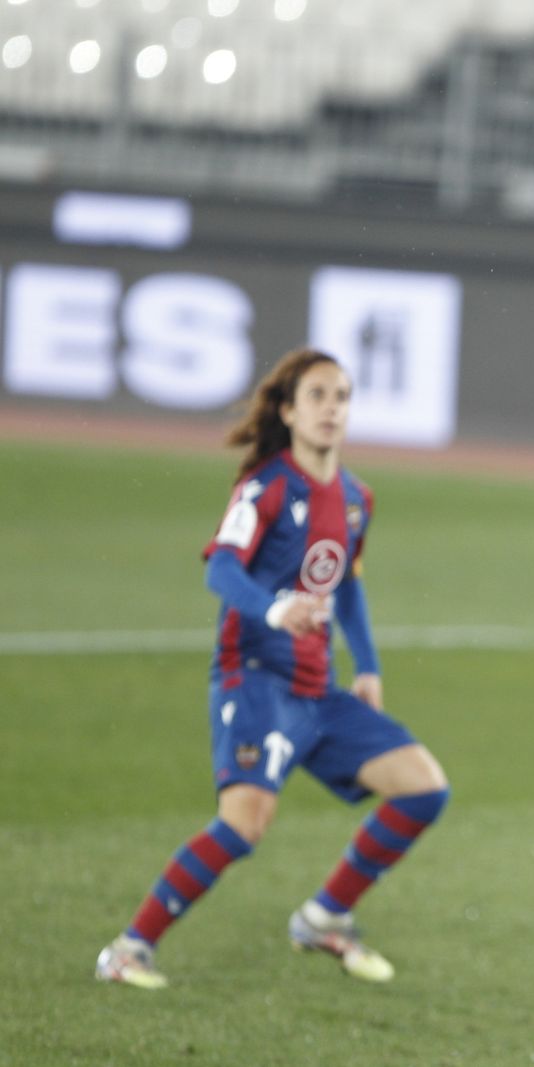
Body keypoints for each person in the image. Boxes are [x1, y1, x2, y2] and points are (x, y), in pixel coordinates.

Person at [94, 347, 449, 990]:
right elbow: (221, 567)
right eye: (316, 396)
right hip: (253, 677)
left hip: (318, 689)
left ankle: (324, 917)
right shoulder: (266, 486)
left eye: (340, 396)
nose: (331, 409)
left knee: (423, 786)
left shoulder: (355, 497)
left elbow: (347, 585)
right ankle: (127, 950)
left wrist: (366, 665)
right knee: (245, 823)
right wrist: (275, 607)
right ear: (287, 410)